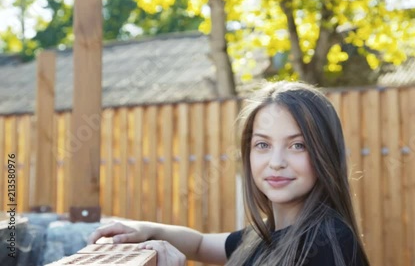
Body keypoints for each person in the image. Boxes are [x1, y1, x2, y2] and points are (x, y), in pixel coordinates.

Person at [87, 81, 370, 266]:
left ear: (324, 152)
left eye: (298, 145)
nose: (276, 161)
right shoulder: (262, 235)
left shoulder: (327, 243)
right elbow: (199, 243)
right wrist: (148, 229)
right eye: (263, 144)